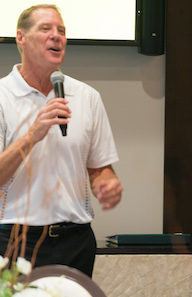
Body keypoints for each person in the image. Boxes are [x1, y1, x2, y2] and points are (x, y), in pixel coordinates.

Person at [0, 4, 123, 276]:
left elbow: (99, 169)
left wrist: (107, 183)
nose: (56, 36)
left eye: (62, 31)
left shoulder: (87, 97)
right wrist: (32, 136)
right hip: (14, 241)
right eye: (45, 29)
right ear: (21, 38)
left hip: (75, 241)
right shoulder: (2, 96)